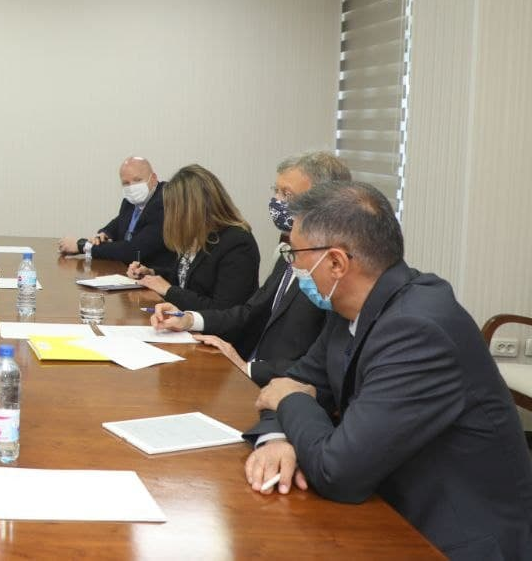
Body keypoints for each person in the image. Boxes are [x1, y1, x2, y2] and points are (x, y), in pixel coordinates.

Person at [242, 181, 532, 560]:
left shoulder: (419, 330)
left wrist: (291, 401)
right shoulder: (350, 307)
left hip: (452, 539)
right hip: (386, 502)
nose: (291, 266)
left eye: (293, 254)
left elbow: (338, 472)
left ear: (336, 263)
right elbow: (291, 383)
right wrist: (277, 438)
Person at [150, 152, 350, 385]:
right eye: (276, 191)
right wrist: (189, 319)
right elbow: (250, 312)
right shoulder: (290, 251)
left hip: (276, 384)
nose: (277, 201)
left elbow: (320, 365)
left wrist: (248, 368)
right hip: (251, 369)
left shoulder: (333, 269)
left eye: (286, 194)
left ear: (324, 201)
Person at [126, 164, 258, 310]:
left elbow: (224, 310)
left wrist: (169, 291)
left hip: (210, 325)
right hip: (182, 320)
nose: (169, 215)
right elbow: (185, 278)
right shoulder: (195, 234)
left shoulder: (237, 243)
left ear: (193, 208)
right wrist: (151, 273)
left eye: (174, 208)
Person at [57, 156, 175, 268]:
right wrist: (104, 234)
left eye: (137, 180)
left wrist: (83, 246)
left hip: (154, 274)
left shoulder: (165, 202)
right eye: (126, 183)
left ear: (153, 178)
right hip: (126, 270)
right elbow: (119, 222)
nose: (132, 187)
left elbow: (134, 251)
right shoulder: (130, 201)